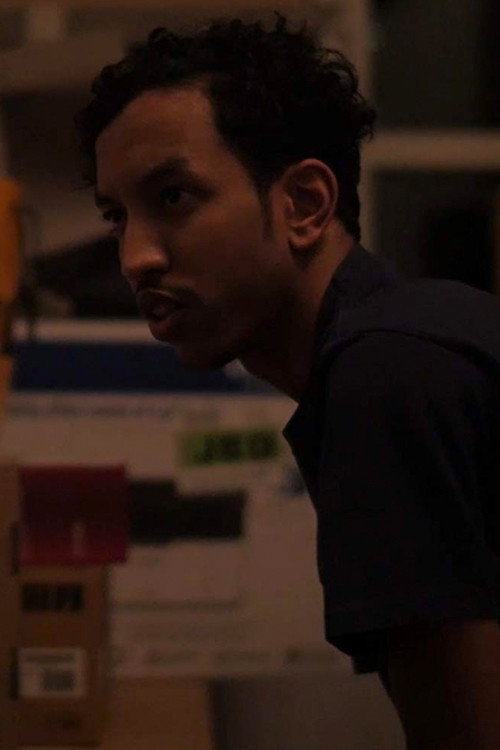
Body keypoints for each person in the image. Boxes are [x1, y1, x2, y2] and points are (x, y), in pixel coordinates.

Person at [75, 13, 500, 748]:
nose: (136, 258)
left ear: (304, 204)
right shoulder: (412, 337)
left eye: (173, 197)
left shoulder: (386, 375)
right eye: (117, 218)